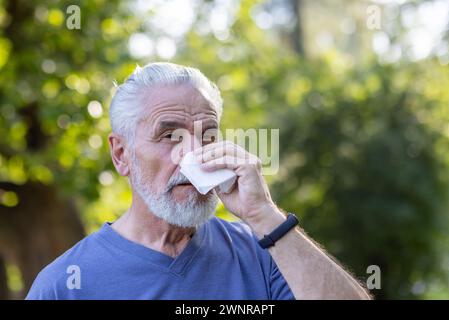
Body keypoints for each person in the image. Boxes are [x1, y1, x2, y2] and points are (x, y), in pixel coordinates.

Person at [26, 62, 370, 300]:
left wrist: (265, 216)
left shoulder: (264, 250)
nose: (193, 155)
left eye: (207, 135)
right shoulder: (65, 284)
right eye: (170, 135)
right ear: (121, 154)